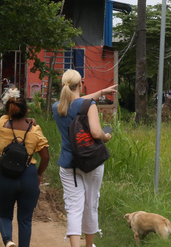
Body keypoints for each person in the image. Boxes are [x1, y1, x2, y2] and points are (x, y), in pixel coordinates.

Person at [52, 70, 117, 247]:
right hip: (91, 163)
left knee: (73, 208)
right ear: (81, 83)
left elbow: (76, 102)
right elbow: (96, 132)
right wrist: (105, 136)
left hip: (68, 164)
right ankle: (88, 245)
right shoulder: (89, 105)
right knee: (91, 204)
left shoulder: (57, 107)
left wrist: (102, 92)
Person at [0, 87, 49, 247]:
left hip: (5, 175)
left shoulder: (2, 125)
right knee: (25, 219)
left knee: (4, 213)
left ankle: (8, 240)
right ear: (26, 111)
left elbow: (8, 116)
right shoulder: (35, 130)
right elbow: (45, 156)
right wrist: (39, 174)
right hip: (28, 175)